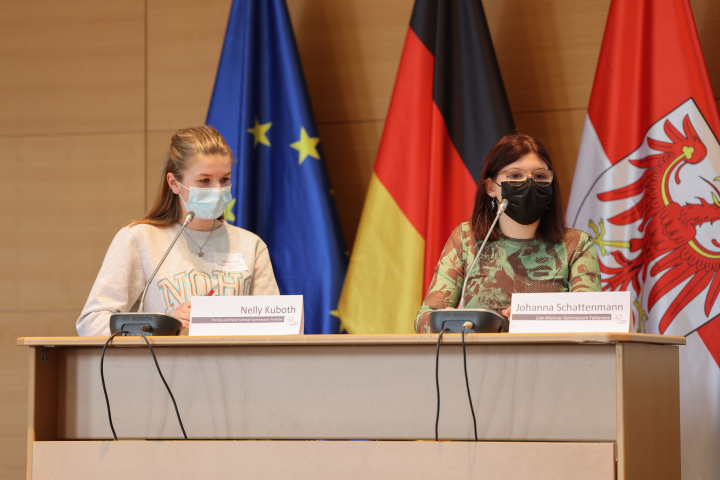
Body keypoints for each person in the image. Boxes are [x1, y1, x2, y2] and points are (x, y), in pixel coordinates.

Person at [77, 126, 279, 336]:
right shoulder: (140, 238)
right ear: (174, 183)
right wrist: (164, 326)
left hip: (239, 368)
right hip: (162, 368)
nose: (218, 189)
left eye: (225, 179)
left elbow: (276, 328)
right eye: (204, 180)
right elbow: (91, 324)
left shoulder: (251, 245)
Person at [414, 133, 601, 333]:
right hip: (477, 361)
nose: (529, 184)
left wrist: (535, 316)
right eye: (515, 175)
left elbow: (592, 319)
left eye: (540, 176)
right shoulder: (466, 238)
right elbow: (425, 318)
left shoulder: (576, 244)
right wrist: (457, 322)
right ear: (490, 188)